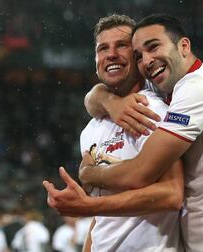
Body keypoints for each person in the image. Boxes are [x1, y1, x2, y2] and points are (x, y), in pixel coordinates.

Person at [46, 14, 203, 252]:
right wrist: (105, 99)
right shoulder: (96, 125)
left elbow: (152, 180)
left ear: (184, 46)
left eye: (152, 47)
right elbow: (104, 222)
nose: (147, 60)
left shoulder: (184, 96)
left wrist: (89, 175)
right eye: (139, 54)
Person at [43, 14, 184, 252]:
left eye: (122, 46)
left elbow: (171, 195)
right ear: (96, 60)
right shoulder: (91, 129)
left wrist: (88, 202)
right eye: (103, 48)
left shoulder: (153, 111)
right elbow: (100, 220)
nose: (111, 54)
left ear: (138, 56)